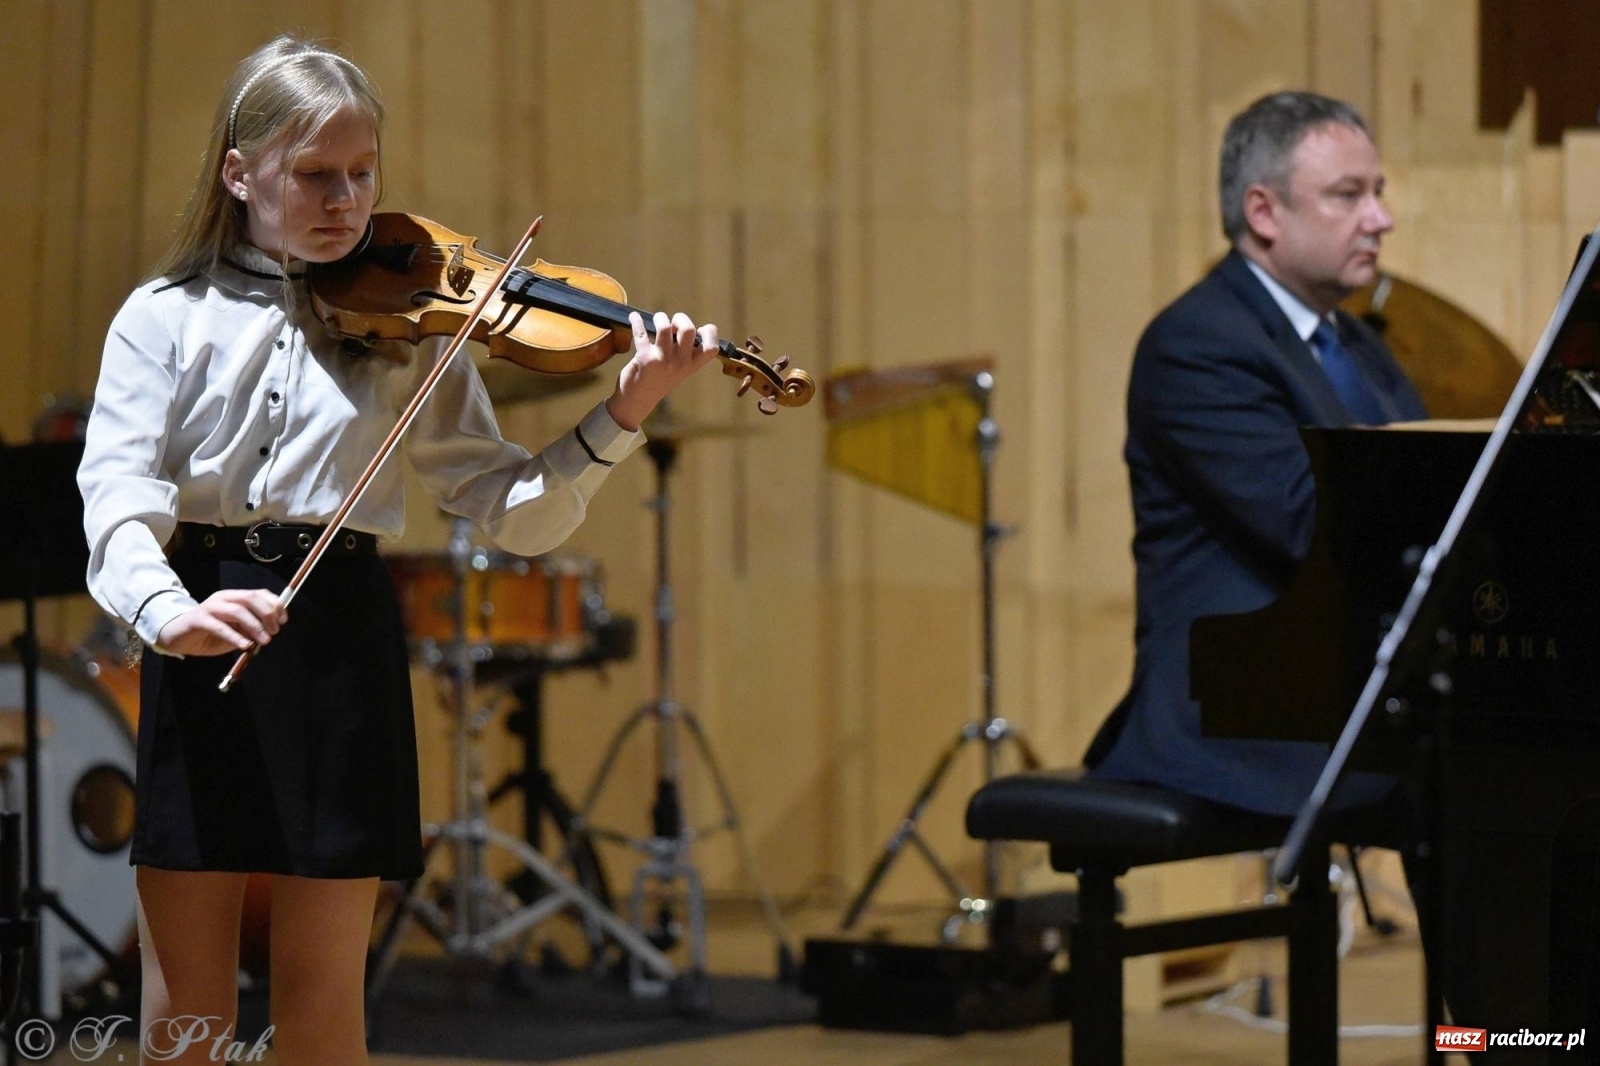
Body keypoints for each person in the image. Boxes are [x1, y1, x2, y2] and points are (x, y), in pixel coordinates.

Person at [76, 34, 717, 1065]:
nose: (346, 201)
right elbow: (115, 494)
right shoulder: (164, 318)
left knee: (325, 999)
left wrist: (624, 411)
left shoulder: (412, 329)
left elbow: (512, 510)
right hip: (202, 628)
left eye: (363, 174)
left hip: (336, 639)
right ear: (240, 175)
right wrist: (166, 611)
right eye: (314, 175)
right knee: (184, 1003)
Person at [1085, 90, 1426, 815]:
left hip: (1345, 682)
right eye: (1349, 196)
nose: (1381, 219)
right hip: (1246, 713)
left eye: (1379, 193)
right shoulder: (1199, 345)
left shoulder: (1358, 343)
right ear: (1265, 212)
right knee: (1489, 772)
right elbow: (1316, 526)